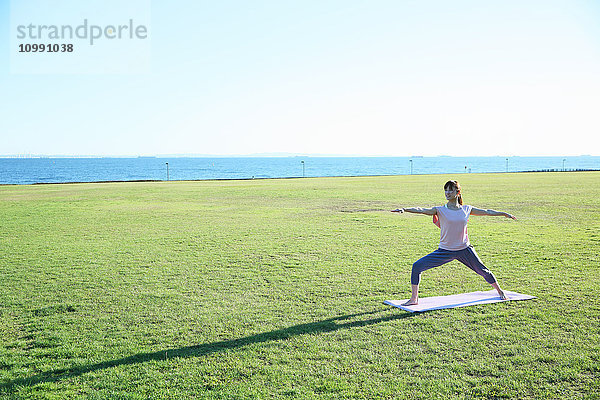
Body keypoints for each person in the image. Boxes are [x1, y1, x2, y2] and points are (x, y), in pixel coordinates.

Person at [391, 180, 516, 306]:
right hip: (445, 251)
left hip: (464, 249)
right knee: (417, 266)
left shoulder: (467, 209)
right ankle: (414, 299)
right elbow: (421, 210)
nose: (447, 193)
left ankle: (500, 291)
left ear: (458, 192)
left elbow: (487, 212)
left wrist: (504, 214)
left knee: (483, 270)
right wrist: (404, 209)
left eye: (451, 190)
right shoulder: (439, 210)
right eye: (446, 190)